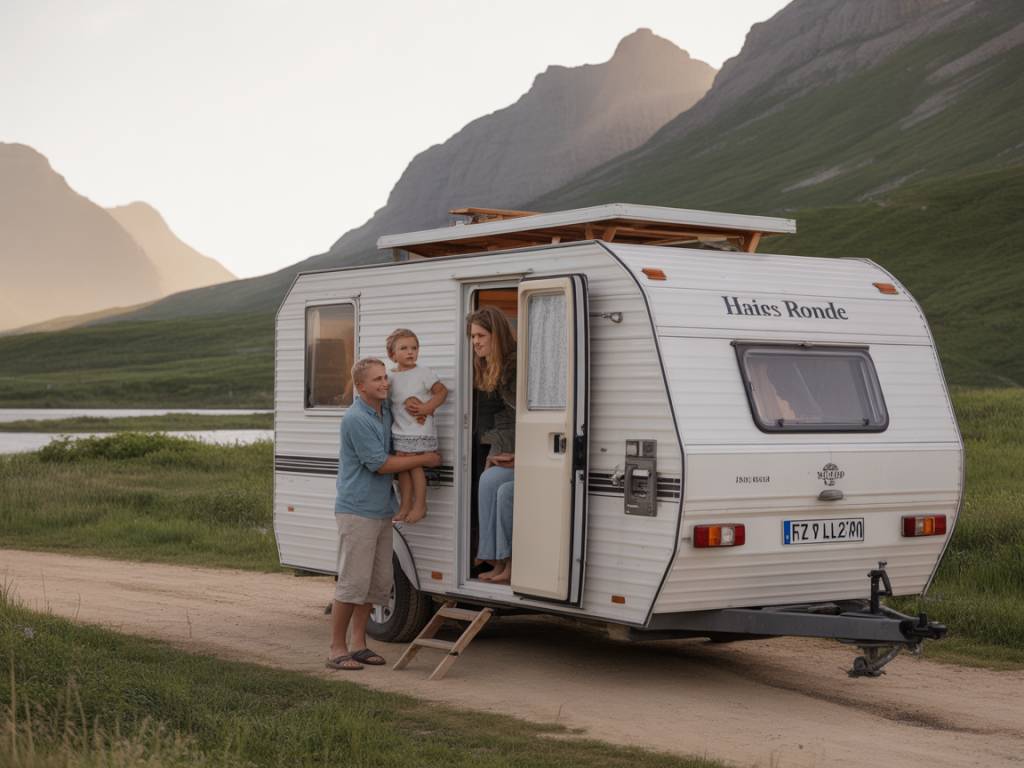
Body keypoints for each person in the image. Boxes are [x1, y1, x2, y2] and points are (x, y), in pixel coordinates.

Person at [327, 357, 440, 671]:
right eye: (376, 380)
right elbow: (380, 464)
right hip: (357, 510)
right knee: (352, 583)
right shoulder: (355, 419)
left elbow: (407, 421)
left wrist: (425, 407)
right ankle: (337, 648)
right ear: (360, 386)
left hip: (381, 509)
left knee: (376, 583)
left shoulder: (385, 411)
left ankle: (359, 644)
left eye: (384, 378)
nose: (384, 383)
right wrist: (426, 459)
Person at [467, 306, 517, 584]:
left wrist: (520, 454)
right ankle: (496, 559)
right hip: (504, 445)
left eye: (480, 336)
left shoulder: (513, 367)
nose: (475, 342)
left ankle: (506, 561)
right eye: (472, 336)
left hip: (527, 451)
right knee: (488, 482)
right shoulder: (485, 365)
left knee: (496, 486)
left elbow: (526, 418)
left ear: (496, 335)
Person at [385, 328, 448, 524]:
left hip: (420, 429)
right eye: (404, 348)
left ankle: (420, 505)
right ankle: (405, 504)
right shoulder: (390, 377)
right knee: (403, 466)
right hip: (400, 429)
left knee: (414, 465)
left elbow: (442, 392)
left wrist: (427, 408)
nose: (410, 352)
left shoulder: (423, 372)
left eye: (414, 348)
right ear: (392, 354)